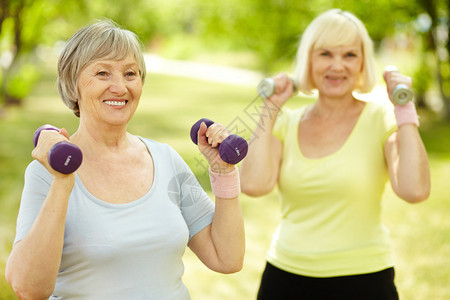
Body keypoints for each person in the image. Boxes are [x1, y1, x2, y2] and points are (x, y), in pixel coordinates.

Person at [5, 20, 245, 299]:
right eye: (103, 73)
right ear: (73, 87)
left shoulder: (166, 160)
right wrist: (62, 182)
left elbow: (227, 258)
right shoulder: (46, 171)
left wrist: (224, 172)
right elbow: (28, 287)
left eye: (130, 73)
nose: (119, 87)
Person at [240, 9, 430, 299]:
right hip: (286, 276)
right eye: (326, 54)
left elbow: (414, 189)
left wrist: (404, 108)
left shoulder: (381, 118)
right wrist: (270, 107)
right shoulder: (286, 123)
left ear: (363, 62)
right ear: (309, 59)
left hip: (364, 279)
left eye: (350, 55)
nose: (337, 66)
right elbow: (253, 185)